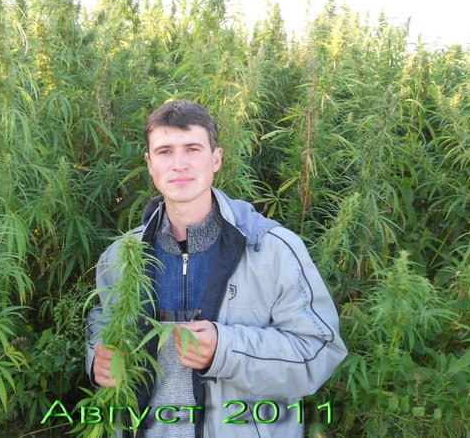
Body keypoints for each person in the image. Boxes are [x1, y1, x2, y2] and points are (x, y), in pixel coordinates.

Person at [85, 99, 347, 438]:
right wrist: (97, 356)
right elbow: (102, 320)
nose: (179, 164)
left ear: (216, 159)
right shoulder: (121, 256)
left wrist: (226, 349)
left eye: (192, 149)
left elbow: (320, 351)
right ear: (149, 164)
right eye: (165, 151)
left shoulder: (272, 250)